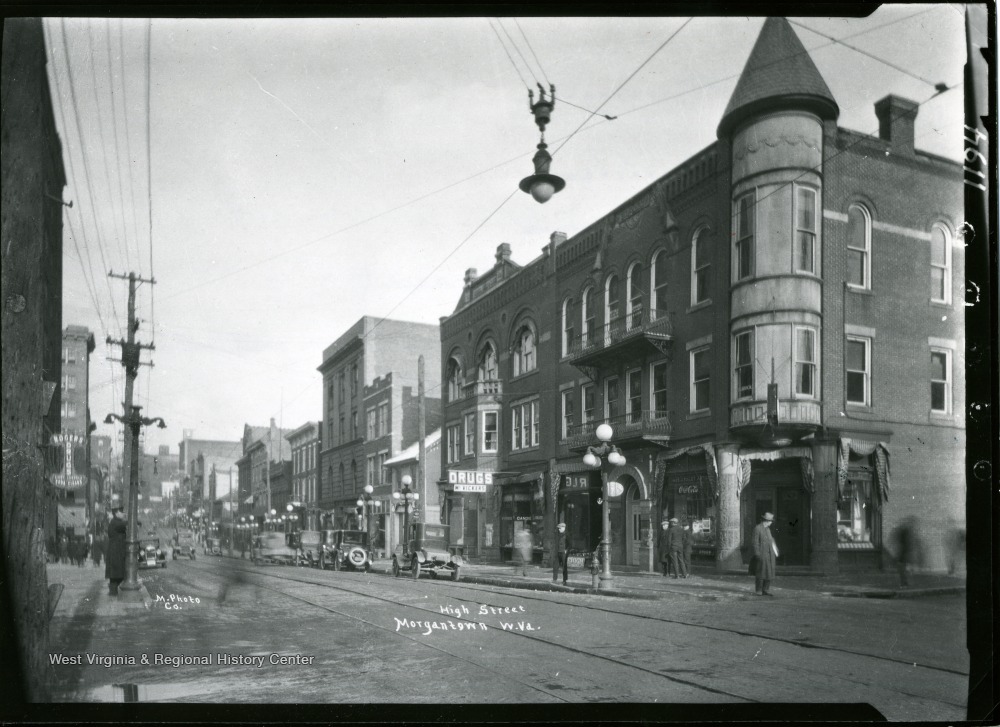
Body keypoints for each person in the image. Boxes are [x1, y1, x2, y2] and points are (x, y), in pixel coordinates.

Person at [751, 512, 777, 596]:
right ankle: (758, 590)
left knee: (769, 572)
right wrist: (757, 554)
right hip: (761, 554)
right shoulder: (758, 528)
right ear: (766, 521)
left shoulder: (768, 529)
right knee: (760, 572)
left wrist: (774, 549)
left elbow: (771, 541)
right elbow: (755, 543)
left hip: (770, 554)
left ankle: (766, 589)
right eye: (770, 521)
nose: (771, 522)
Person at [105, 507, 127, 596]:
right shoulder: (115, 522)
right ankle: (113, 592)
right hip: (116, 552)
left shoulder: (115, 522)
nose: (124, 514)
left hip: (117, 551)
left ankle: (113, 592)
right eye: (122, 513)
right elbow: (122, 525)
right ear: (117, 513)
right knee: (117, 573)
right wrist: (134, 522)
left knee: (116, 574)